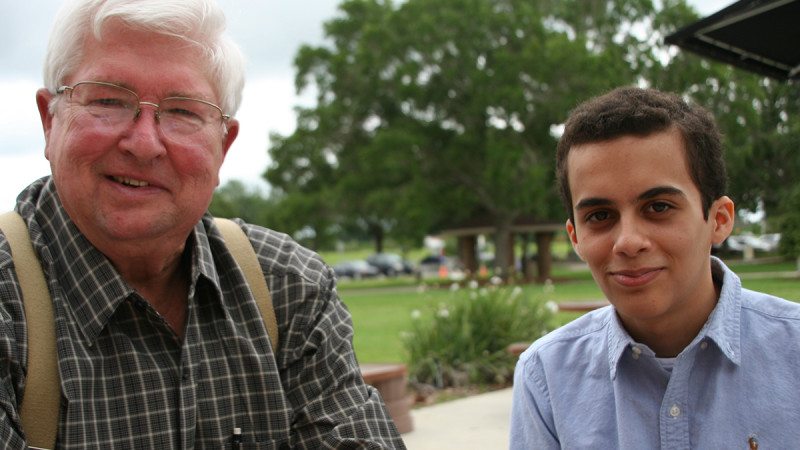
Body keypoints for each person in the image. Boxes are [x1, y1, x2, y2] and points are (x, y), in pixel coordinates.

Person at [0, 0, 405, 448]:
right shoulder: (8, 299)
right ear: (48, 119)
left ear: (223, 146)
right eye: (109, 100)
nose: (144, 143)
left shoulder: (288, 288)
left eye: (183, 112)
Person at [509, 87, 800, 448]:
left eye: (658, 207)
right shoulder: (546, 377)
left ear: (719, 220)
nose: (628, 241)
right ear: (575, 237)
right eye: (600, 216)